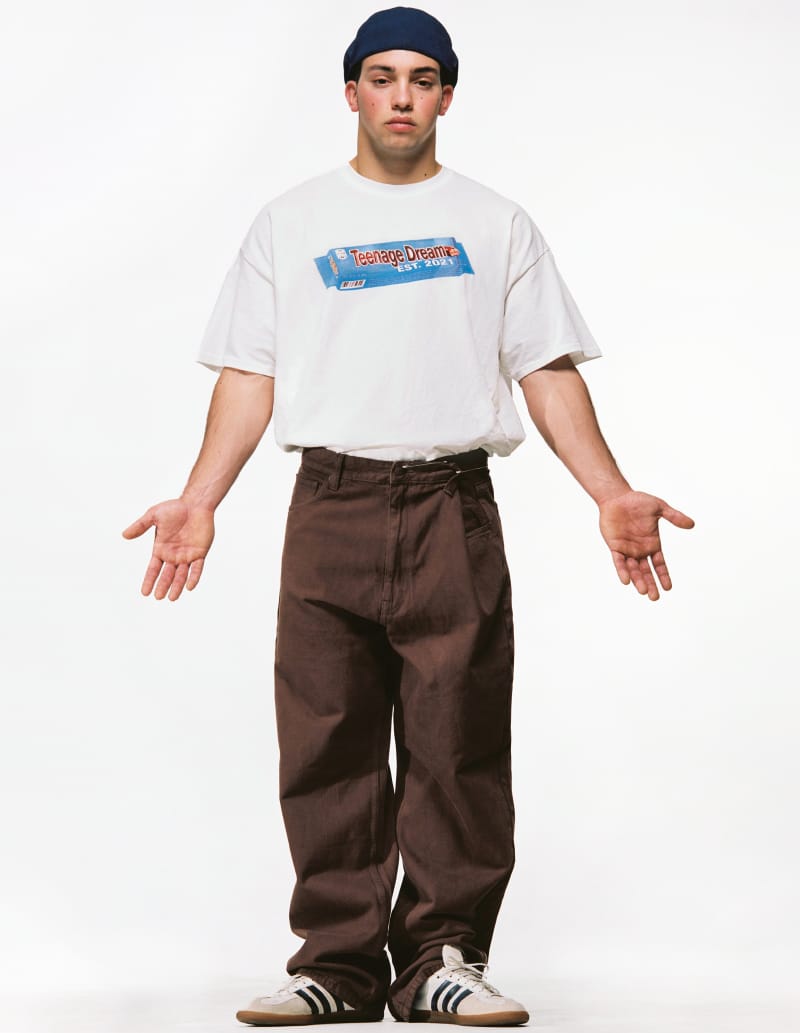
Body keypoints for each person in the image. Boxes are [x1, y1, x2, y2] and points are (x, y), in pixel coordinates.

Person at [123, 6, 695, 1027]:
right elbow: (249, 373)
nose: (400, 95)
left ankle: (442, 958)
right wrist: (199, 497)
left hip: (449, 505)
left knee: (456, 740)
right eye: (381, 76)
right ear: (350, 92)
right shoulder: (291, 221)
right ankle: (337, 967)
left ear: (445, 96)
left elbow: (544, 368)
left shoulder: (495, 222)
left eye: (421, 79)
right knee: (326, 742)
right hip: (330, 503)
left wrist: (609, 490)